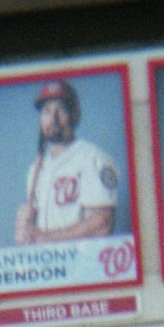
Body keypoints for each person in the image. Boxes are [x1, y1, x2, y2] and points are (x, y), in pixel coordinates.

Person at [15, 79, 121, 245]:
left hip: (83, 265)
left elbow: (102, 224)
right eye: (47, 111)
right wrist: (24, 229)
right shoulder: (36, 169)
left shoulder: (93, 158)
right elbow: (30, 235)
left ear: (75, 115)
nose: (53, 119)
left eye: (61, 110)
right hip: (47, 265)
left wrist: (44, 237)